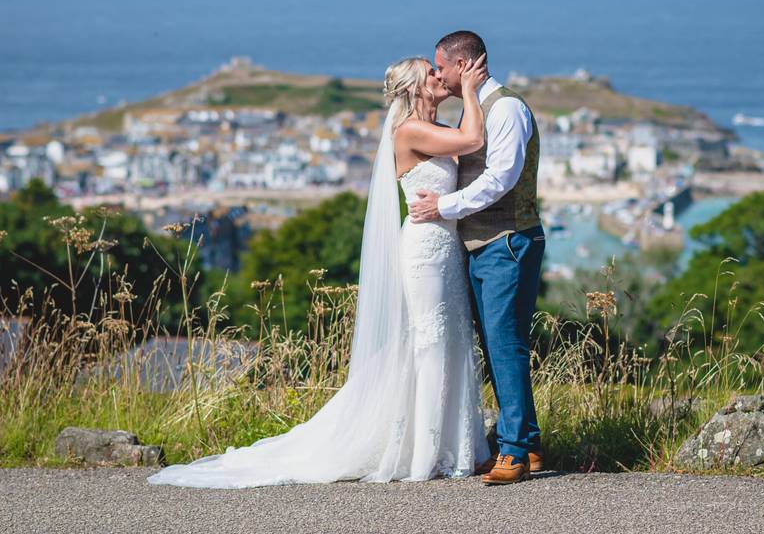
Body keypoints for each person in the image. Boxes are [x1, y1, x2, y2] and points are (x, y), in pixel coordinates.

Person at [146, 54, 491, 488]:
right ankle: (424, 451)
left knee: (451, 339)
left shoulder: (438, 129)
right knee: (430, 340)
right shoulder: (409, 131)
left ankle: (453, 446)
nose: (440, 77)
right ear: (414, 88)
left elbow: (464, 140)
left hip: (446, 249)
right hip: (423, 250)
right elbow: (474, 139)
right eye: (432, 73)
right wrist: (473, 92)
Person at [409, 30, 545, 485]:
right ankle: (527, 443)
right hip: (479, 246)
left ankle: (514, 451)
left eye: (441, 67)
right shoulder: (473, 111)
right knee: (495, 346)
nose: (438, 75)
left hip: (507, 240)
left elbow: (500, 178)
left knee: (506, 347)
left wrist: (442, 207)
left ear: (464, 64)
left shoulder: (505, 108)